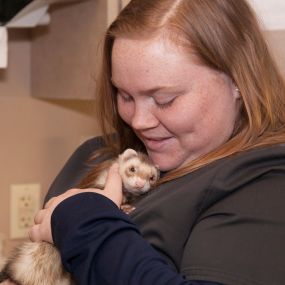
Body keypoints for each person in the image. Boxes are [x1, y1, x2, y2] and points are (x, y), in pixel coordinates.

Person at [2, 0, 285, 284]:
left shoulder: (266, 181)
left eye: (165, 100)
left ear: (238, 79)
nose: (138, 121)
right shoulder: (95, 154)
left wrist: (83, 220)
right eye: (125, 96)